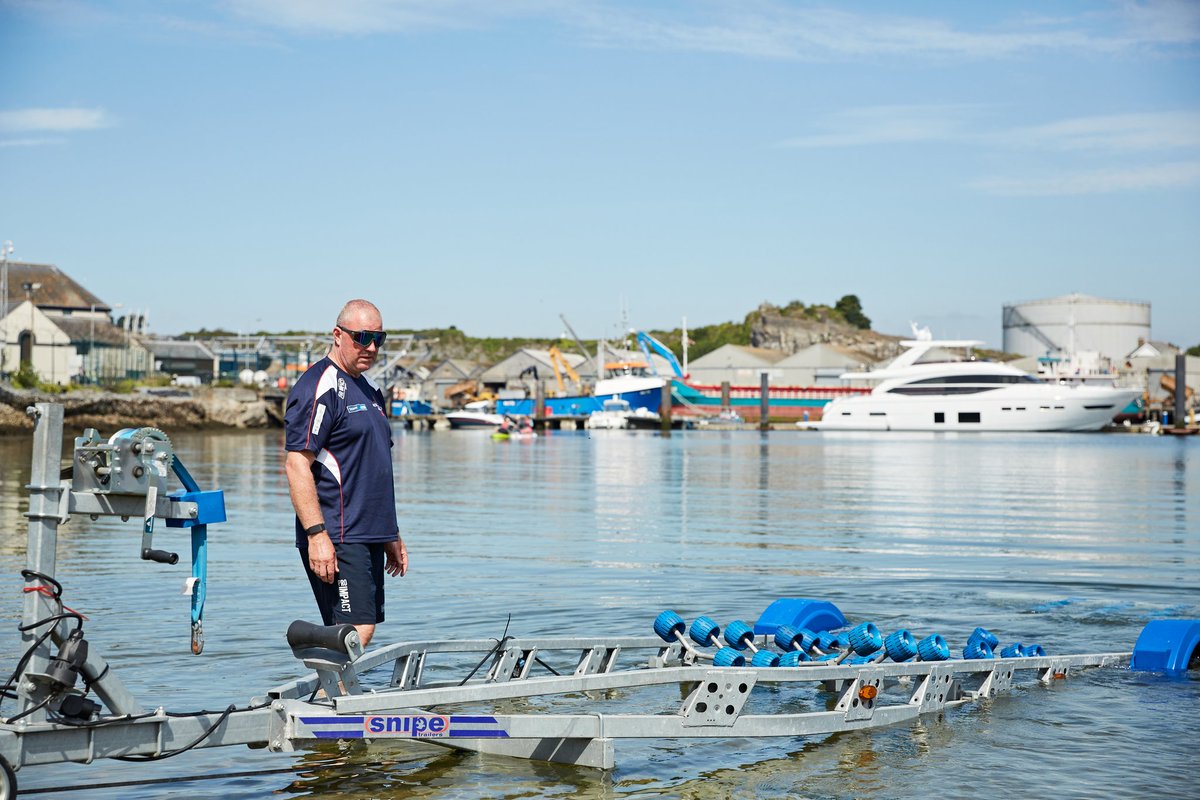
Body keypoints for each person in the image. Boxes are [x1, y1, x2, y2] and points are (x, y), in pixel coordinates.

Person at [284, 299, 407, 649]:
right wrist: (316, 536)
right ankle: (324, 701)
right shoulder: (320, 387)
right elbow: (297, 464)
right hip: (337, 532)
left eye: (378, 339)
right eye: (361, 337)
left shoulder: (368, 390)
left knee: (349, 632)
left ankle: (332, 699)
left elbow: (374, 468)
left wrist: (390, 533)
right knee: (356, 629)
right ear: (338, 335)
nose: (370, 347)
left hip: (369, 532)